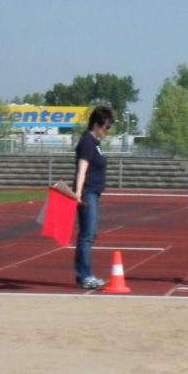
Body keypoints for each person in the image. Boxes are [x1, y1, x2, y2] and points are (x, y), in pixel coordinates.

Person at [73, 105, 115, 290]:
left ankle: (84, 274)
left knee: (89, 234)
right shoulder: (87, 142)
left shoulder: (95, 143)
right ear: (96, 125)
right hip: (87, 192)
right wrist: (78, 193)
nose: (108, 131)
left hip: (93, 193)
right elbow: (82, 169)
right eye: (106, 127)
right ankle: (85, 275)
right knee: (87, 235)